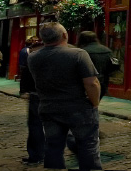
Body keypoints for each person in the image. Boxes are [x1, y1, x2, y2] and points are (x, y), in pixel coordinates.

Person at [28, 22, 102, 171]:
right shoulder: (78, 54)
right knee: (88, 145)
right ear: (64, 35)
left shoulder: (33, 57)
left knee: (53, 145)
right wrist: (94, 103)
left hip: (48, 106)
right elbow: (91, 83)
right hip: (78, 107)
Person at [19, 37, 45, 165]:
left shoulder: (33, 59)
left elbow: (25, 76)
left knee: (36, 125)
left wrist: (24, 91)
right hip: (56, 95)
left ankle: (36, 155)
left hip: (37, 95)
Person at [77, 31, 115, 97]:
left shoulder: (83, 52)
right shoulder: (107, 50)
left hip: (87, 82)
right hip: (103, 82)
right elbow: (114, 65)